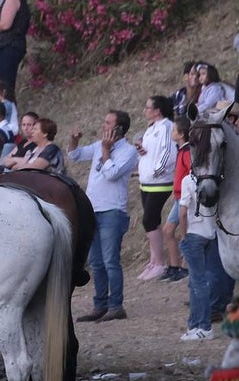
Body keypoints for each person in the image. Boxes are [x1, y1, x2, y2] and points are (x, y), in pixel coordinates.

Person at [68, 110, 139, 322]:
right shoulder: (100, 145)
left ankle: (116, 306)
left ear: (119, 129)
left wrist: (106, 151)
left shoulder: (128, 151)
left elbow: (111, 173)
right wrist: (74, 140)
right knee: (96, 261)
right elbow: (74, 155)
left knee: (110, 261)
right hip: (93, 209)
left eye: (108, 122)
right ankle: (100, 305)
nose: (103, 125)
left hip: (112, 211)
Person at [178, 170, 232, 340]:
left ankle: (204, 327)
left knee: (198, 283)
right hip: (210, 233)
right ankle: (194, 325)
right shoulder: (216, 181)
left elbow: (182, 212)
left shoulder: (188, 180)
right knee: (198, 282)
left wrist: (183, 235)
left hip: (194, 234)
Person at [135, 95, 176, 280]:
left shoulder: (167, 127)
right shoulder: (151, 128)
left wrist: (156, 171)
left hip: (159, 183)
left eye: (148, 107)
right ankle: (154, 261)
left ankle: (159, 263)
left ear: (157, 110)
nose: (145, 110)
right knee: (153, 221)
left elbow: (169, 152)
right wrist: (142, 151)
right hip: (146, 182)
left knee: (149, 220)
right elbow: (151, 151)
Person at [160, 115, 192, 283]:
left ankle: (185, 267)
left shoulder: (187, 152)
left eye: (173, 130)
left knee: (184, 232)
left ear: (181, 134)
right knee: (168, 230)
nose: (171, 132)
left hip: (184, 199)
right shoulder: (182, 151)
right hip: (178, 198)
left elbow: (192, 173)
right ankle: (175, 266)